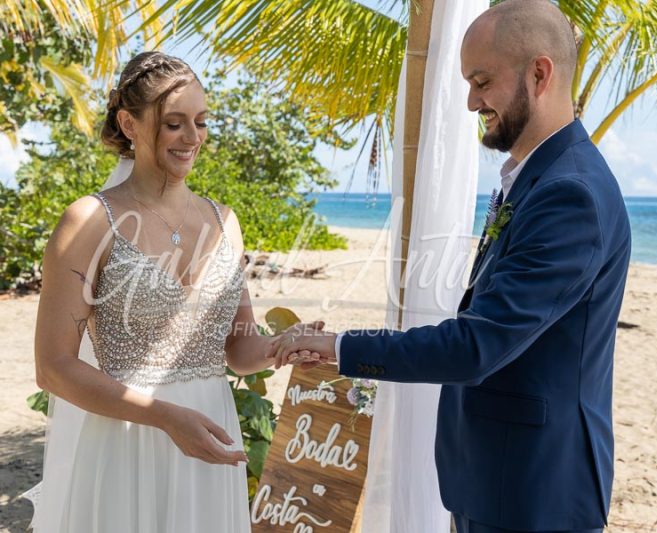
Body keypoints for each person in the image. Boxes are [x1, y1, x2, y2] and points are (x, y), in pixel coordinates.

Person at [269, 1, 631, 532]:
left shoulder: (569, 194)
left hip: (535, 492)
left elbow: (477, 345)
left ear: (540, 73)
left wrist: (339, 346)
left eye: (482, 81)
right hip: (495, 477)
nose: (470, 101)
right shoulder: (538, 179)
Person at [29, 51, 294, 532]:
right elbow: (53, 368)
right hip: (128, 441)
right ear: (128, 123)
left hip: (212, 438)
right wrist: (166, 418)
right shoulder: (89, 222)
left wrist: (285, 347)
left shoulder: (224, 222)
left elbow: (239, 351)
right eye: (174, 123)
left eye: (201, 121)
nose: (192, 137)